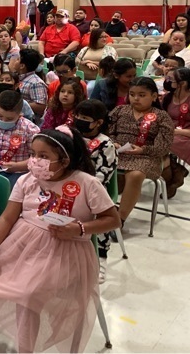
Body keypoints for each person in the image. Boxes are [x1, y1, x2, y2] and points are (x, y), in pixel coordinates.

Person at [0, 125, 121, 354]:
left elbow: (113, 220)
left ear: (64, 160)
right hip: (21, 241)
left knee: (28, 295)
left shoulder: (87, 183)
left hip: (64, 250)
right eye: (32, 154)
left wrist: (79, 228)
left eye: (43, 156)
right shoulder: (27, 180)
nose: (35, 160)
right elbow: (7, 218)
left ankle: (26, 350)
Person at [108, 77, 173, 228]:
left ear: (154, 96)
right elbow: (107, 131)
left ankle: (119, 220)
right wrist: (112, 142)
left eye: (142, 95)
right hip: (117, 152)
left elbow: (164, 146)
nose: (136, 98)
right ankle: (101, 213)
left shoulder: (162, 117)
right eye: (132, 94)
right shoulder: (119, 110)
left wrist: (143, 149)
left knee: (136, 175)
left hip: (147, 156)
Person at [72, 99, 118, 283]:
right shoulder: (70, 135)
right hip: (67, 186)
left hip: (93, 191)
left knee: (99, 215)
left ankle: (101, 258)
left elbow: (102, 175)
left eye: (85, 118)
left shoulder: (106, 145)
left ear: (98, 122)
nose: (79, 120)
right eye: (77, 116)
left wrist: (82, 189)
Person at [0, 90, 40, 187]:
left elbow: (37, 158)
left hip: (19, 173)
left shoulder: (30, 129)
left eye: (9, 119)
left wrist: (17, 166)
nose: (3, 120)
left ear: (20, 115)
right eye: (0, 116)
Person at [161, 67, 190, 199]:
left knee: (161, 142)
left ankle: (171, 176)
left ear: (182, 83)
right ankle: (176, 171)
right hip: (171, 133)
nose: (167, 81)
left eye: (171, 79)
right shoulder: (168, 97)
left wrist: (175, 131)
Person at [11, 48, 48, 119]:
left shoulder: (36, 83)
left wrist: (16, 104)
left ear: (22, 66)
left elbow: (41, 107)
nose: (15, 61)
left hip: (28, 120)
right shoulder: (15, 78)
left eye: (17, 59)